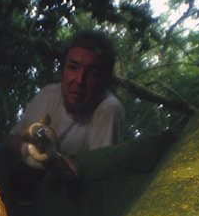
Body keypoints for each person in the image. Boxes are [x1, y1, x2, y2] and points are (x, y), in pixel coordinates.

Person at [8, 30, 125, 162]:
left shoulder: (108, 109)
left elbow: (98, 171)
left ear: (104, 80)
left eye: (92, 73)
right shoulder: (49, 94)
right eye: (73, 67)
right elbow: (13, 138)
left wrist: (53, 160)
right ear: (62, 71)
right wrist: (28, 149)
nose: (79, 80)